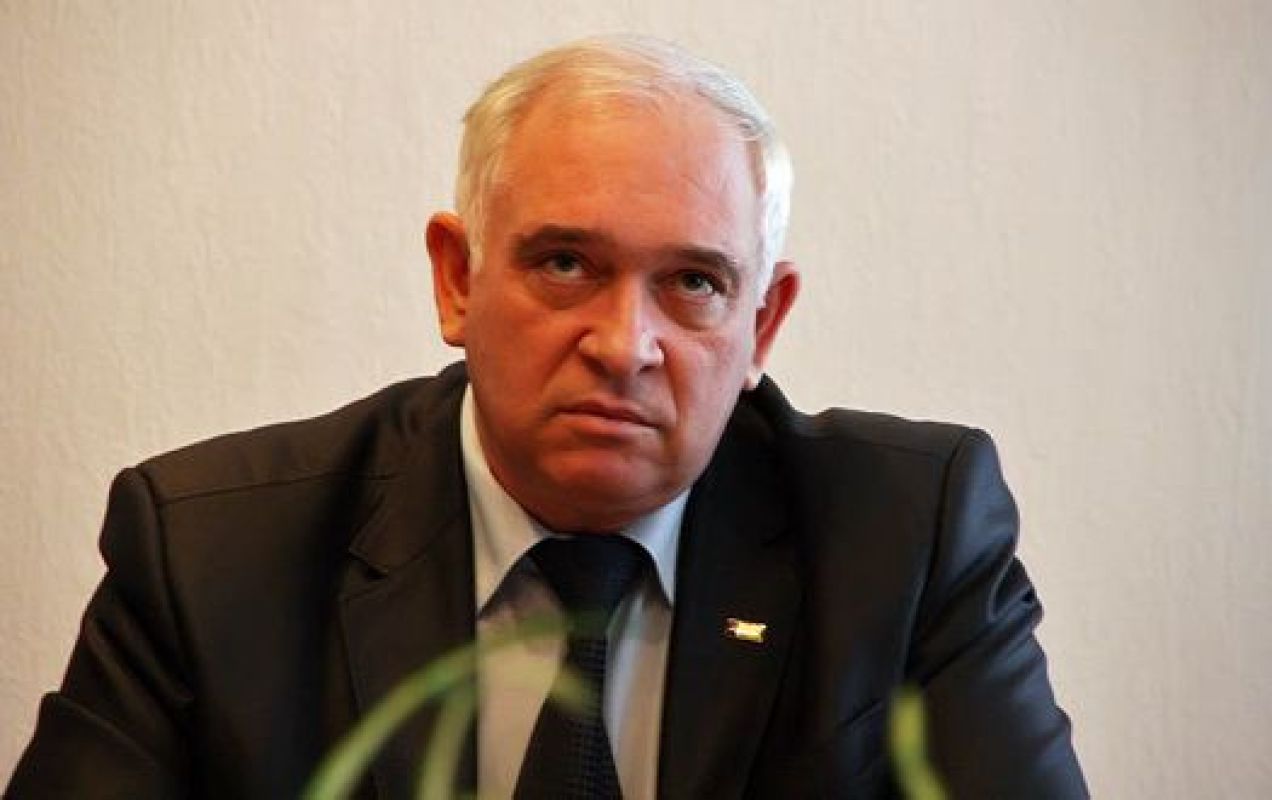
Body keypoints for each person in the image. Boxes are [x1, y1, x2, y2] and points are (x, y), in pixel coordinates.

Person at [7, 35, 1087, 799]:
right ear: (457, 279)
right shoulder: (211, 554)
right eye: (567, 263)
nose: (624, 344)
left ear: (762, 323)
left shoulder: (907, 540)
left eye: (695, 283)